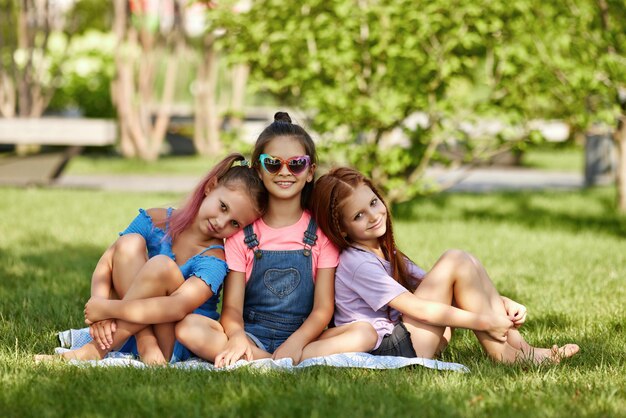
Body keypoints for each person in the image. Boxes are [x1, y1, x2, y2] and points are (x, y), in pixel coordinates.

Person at [310, 167, 580, 364]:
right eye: (358, 215)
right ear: (342, 229)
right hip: (389, 348)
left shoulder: (383, 250)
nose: (373, 216)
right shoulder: (356, 262)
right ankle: (508, 354)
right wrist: (485, 320)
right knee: (455, 259)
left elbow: (452, 286)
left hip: (410, 338)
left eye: (373, 202)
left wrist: (501, 302)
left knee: (462, 261)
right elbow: (419, 309)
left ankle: (521, 349)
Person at [36, 153, 266, 364]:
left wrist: (109, 309)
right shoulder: (155, 219)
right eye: (223, 207)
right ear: (210, 186)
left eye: (234, 224)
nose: (221, 222)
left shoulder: (215, 260)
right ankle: (144, 341)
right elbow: (108, 261)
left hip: (171, 338)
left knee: (161, 266)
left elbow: (177, 307)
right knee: (129, 243)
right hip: (136, 333)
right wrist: (99, 312)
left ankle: (96, 350)